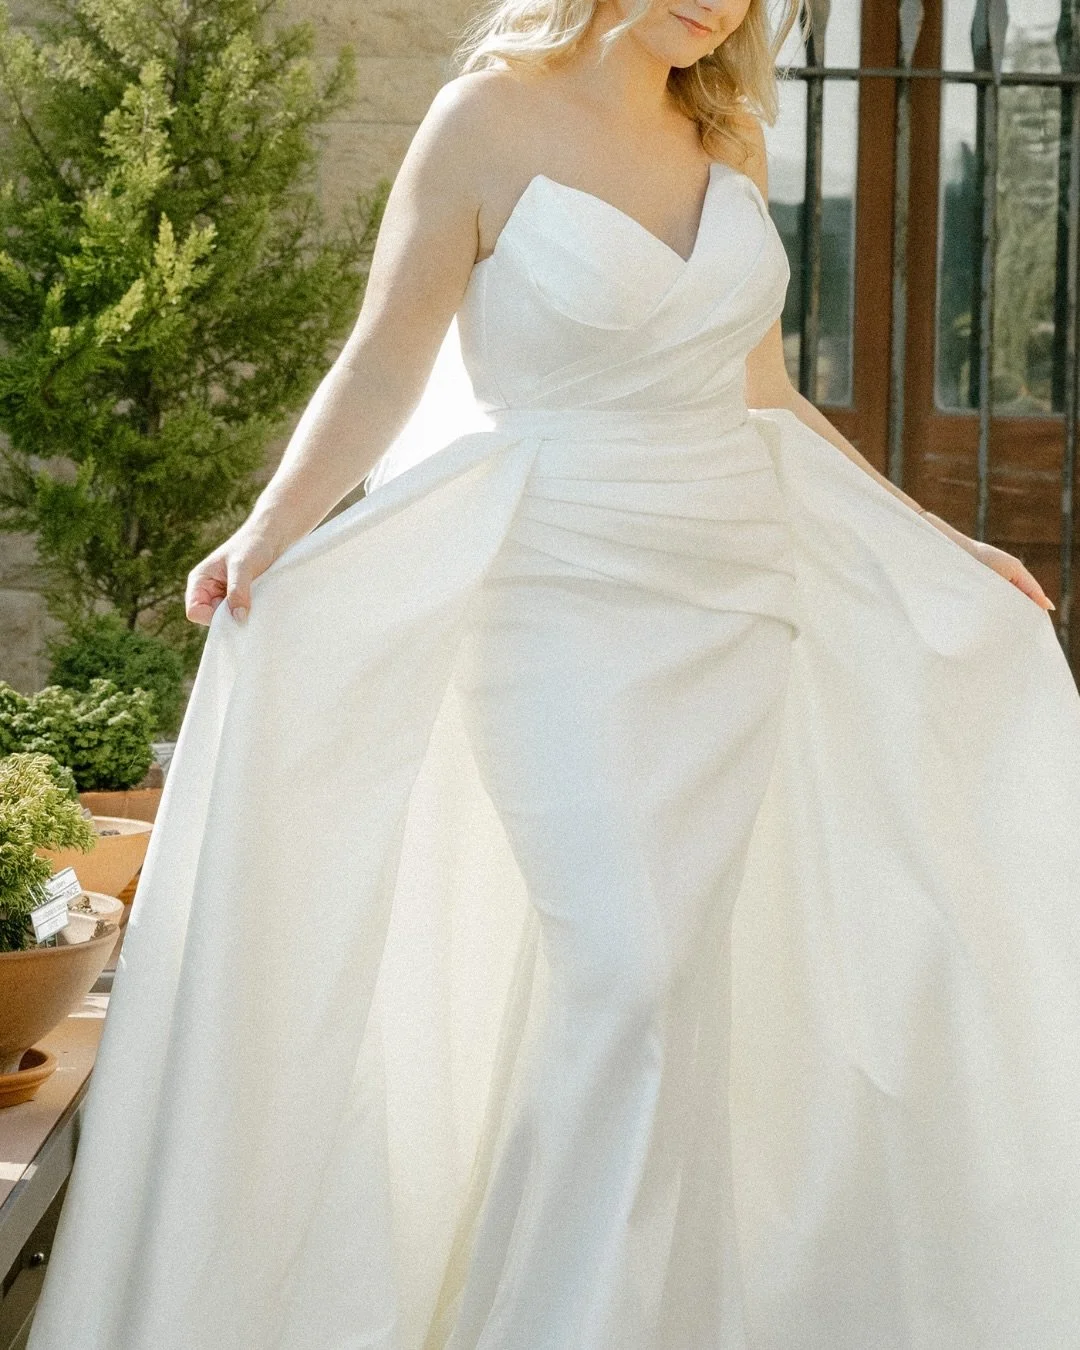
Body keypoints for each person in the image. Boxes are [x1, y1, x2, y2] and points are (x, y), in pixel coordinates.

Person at [25, 3, 1080, 1349]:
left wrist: (934, 537)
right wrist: (268, 526)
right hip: (559, 600)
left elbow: (765, 393)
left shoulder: (731, 135)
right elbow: (384, 357)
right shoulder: (484, 120)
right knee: (625, 975)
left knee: (672, 1001)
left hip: (734, 607)